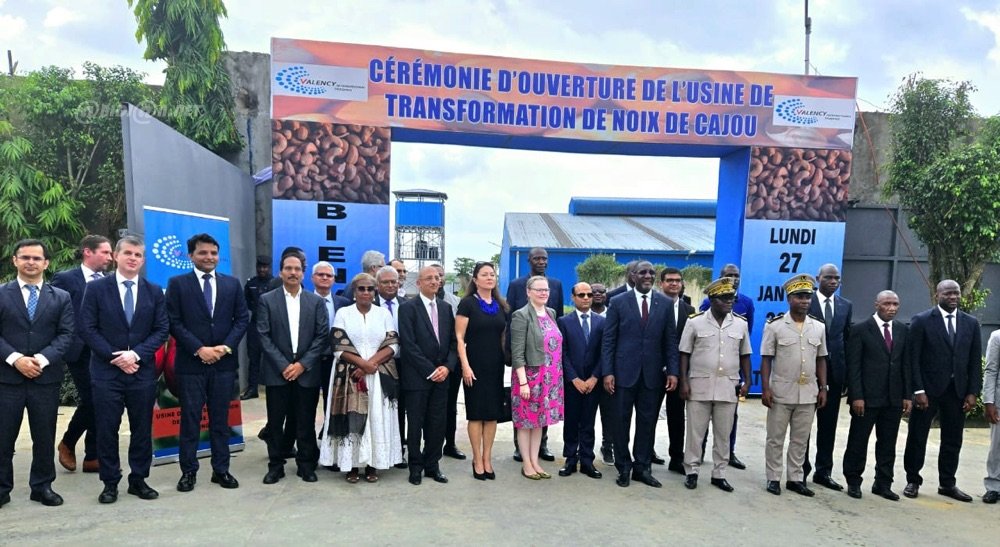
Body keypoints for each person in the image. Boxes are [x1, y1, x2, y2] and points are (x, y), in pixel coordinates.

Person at [79, 235, 170, 504]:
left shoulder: (154, 291)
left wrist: (135, 355)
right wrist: (115, 357)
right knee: (107, 428)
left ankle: (139, 480)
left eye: (138, 255)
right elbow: (87, 327)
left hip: (141, 372)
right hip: (107, 373)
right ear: (116, 256)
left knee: (141, 428)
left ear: (143, 260)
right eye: (128, 253)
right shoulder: (96, 289)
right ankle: (110, 483)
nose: (133, 258)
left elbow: (161, 329)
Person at [166, 233, 250, 492]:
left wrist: (224, 348)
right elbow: (174, 322)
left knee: (220, 420)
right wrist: (199, 349)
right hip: (191, 365)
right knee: (190, 420)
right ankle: (188, 472)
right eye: (203, 253)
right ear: (191, 255)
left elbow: (242, 319)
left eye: (213, 253)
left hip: (223, 364)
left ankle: (221, 470)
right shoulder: (178, 284)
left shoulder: (232, 284)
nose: (209, 257)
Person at [0, 239, 74, 508]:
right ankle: (2, 488)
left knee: (44, 437)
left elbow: (66, 334)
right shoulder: (1, 293)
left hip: (45, 379)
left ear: (46, 263)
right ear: (15, 261)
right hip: (7, 379)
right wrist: (16, 359)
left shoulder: (61, 298)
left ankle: (42, 486)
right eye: (25, 257)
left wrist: (41, 360)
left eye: (36, 258)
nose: (31, 262)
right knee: (3, 437)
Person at [902, 279, 982, 503]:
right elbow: (913, 359)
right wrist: (917, 390)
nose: (953, 297)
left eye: (956, 293)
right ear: (937, 295)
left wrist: (972, 391)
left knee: (953, 439)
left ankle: (947, 483)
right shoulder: (922, 320)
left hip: (957, 392)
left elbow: (974, 361)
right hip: (927, 391)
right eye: (948, 294)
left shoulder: (971, 323)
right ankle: (913, 480)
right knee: (918, 436)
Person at [601, 260, 679, 488]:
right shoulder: (617, 302)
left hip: (652, 376)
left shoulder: (664, 303)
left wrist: (673, 371)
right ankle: (623, 467)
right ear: (633, 276)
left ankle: (641, 468)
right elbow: (609, 340)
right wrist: (608, 372)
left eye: (651, 273)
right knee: (621, 422)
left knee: (647, 423)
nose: (648, 276)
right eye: (643, 272)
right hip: (623, 374)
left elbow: (670, 341)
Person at [257, 250, 329, 485]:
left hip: (306, 372)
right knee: (276, 422)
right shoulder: (267, 300)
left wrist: (301, 365)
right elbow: (264, 336)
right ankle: (275, 466)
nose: (293, 272)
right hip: (278, 373)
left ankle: (306, 465)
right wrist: (284, 365)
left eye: (297, 269)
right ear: (281, 271)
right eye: (288, 268)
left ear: (303, 274)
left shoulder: (315, 302)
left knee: (306, 422)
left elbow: (321, 337)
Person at [321, 273, 402, 483]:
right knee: (353, 420)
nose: (366, 292)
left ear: (375, 292)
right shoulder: (343, 313)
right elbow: (338, 344)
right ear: (354, 291)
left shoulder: (383, 314)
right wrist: (361, 364)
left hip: (377, 376)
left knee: (376, 418)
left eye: (370, 289)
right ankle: (352, 465)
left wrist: (369, 365)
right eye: (361, 289)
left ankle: (373, 464)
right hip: (349, 376)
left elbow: (392, 343)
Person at [678, 277, 751, 492]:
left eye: (732, 298)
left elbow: (745, 354)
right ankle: (691, 471)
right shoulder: (694, 321)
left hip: (728, 386)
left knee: (723, 434)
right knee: (695, 433)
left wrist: (746, 381)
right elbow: (684, 353)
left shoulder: (740, 323)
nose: (730, 302)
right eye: (724, 298)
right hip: (698, 385)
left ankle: (719, 473)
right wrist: (684, 381)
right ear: (712, 299)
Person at [760, 274, 828, 497]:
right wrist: (766, 388)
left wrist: (823, 387)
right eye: (799, 297)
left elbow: (821, 358)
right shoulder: (775, 326)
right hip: (781, 391)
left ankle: (795, 478)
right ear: (789, 298)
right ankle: (773, 478)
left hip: (808, 392)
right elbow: (766, 358)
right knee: (775, 438)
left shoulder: (818, 327)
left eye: (808, 297)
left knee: (800, 439)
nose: (805, 301)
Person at [51, 234, 112, 474]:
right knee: (93, 399)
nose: (110, 257)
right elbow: (53, 312)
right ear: (88, 252)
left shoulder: (110, 281)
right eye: (105, 252)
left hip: (105, 350)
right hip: (79, 351)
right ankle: (68, 441)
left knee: (103, 400)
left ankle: (92, 456)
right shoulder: (66, 279)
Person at [842, 290, 909, 501]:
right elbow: (854, 366)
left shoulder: (902, 330)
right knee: (858, 441)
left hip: (893, 398)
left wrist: (907, 395)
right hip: (867, 398)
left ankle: (883, 483)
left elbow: (905, 365)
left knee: (888, 443)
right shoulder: (861, 329)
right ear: (876, 305)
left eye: (895, 304)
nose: (891, 308)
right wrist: (857, 396)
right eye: (887, 304)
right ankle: (853, 480)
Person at [398, 266, 456, 485]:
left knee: (437, 424)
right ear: (419, 283)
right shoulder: (408, 309)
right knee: (415, 424)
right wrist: (430, 371)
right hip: (417, 378)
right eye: (429, 278)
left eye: (437, 278)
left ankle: (433, 465)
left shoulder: (445, 307)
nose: (434, 281)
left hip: (442, 378)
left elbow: (452, 342)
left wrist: (447, 368)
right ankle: (415, 467)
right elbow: (409, 345)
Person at [506, 247, 563, 463]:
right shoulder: (516, 285)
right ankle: (520, 449)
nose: (541, 261)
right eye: (537, 258)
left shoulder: (555, 285)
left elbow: (557, 321)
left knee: (544, 408)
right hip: (525, 360)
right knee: (524, 409)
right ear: (529, 260)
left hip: (548, 366)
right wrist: (511, 354)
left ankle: (542, 445)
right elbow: (509, 319)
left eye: (544, 258)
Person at [698, 263, 754, 470]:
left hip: (731, 371)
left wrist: (745, 378)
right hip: (708, 368)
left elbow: (744, 341)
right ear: (720, 277)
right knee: (702, 414)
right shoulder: (707, 302)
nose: (733, 279)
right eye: (729, 275)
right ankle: (700, 451)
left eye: (736, 275)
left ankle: (729, 452)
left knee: (730, 415)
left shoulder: (746, 303)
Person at [456, 262, 508, 480]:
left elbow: (503, 336)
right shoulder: (467, 304)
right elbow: (459, 337)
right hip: (474, 365)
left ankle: (488, 458)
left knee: (492, 415)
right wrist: (465, 366)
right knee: (477, 414)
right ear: (475, 280)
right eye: (484, 274)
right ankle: (477, 459)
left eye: (492, 274)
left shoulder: (500, 305)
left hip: (495, 366)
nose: (489, 278)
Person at [805, 264, 853, 491]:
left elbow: (846, 340)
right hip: (807, 372)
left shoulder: (845, 306)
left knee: (828, 426)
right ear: (818, 278)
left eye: (837, 278)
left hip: (834, 376)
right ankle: (800, 469)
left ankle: (823, 471)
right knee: (803, 424)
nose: (833, 281)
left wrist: (846, 378)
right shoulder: (806, 301)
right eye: (828, 278)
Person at [557, 282, 604, 479]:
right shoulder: (564, 322)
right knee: (571, 421)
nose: (586, 298)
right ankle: (570, 458)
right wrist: (574, 378)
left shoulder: (602, 322)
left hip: (593, 381)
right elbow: (562, 353)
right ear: (573, 297)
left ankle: (587, 460)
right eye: (581, 295)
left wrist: (594, 377)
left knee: (588, 421)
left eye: (589, 295)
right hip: (572, 382)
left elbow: (605, 352)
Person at [658, 267, 695, 473]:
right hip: (654, 370)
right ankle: (647, 454)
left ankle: (676, 458)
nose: (674, 283)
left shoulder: (690, 311)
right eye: (669, 280)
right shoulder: (654, 306)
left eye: (678, 280)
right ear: (661, 284)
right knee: (649, 415)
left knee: (677, 416)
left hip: (679, 372)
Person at [374, 265, 407, 468]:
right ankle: (378, 451)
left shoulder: (406, 305)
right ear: (377, 285)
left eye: (393, 281)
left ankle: (399, 451)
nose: (390, 285)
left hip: (403, 363)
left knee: (400, 407)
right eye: (385, 282)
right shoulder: (369, 303)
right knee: (378, 408)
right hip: (376, 364)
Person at [433, 263, 466, 460]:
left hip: (452, 364)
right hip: (429, 364)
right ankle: (430, 445)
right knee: (430, 407)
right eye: (433, 275)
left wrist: (451, 363)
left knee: (450, 406)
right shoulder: (416, 303)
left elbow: (459, 336)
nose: (437, 279)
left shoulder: (456, 302)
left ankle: (450, 444)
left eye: (440, 275)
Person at [312, 261, 351, 415]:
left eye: (329, 275)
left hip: (335, 359)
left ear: (334, 279)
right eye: (320, 274)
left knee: (334, 400)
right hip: (311, 360)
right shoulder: (304, 301)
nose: (324, 278)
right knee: (307, 401)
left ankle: (327, 431)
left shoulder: (344, 303)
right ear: (313, 277)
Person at [241, 255, 273, 400]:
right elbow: (246, 302)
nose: (262, 269)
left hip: (272, 325)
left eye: (265, 267)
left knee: (273, 358)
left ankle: (273, 388)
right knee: (253, 358)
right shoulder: (251, 283)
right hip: (255, 324)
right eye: (260, 267)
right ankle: (252, 388)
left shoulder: (275, 283)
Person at [590, 282, 614, 465]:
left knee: (609, 413)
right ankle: (585, 448)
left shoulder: (613, 313)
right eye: (593, 292)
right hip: (586, 374)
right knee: (586, 415)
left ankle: (608, 446)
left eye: (601, 292)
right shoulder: (580, 315)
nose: (597, 294)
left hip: (608, 373)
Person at [983, 326, 1000, 504]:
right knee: (997, 446)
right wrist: (989, 401)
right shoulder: (997, 337)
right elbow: (991, 370)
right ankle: (994, 486)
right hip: (999, 403)